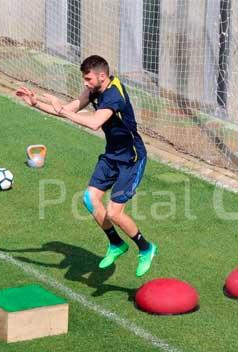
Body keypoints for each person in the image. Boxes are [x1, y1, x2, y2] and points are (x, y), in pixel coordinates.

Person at [15, 55, 157, 277]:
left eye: (88, 78)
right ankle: (116, 244)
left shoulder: (114, 95)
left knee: (114, 212)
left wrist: (61, 110)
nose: (85, 83)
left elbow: (93, 123)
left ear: (102, 76)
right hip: (112, 155)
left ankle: (146, 248)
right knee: (90, 199)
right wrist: (36, 104)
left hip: (132, 159)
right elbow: (67, 108)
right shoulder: (94, 90)